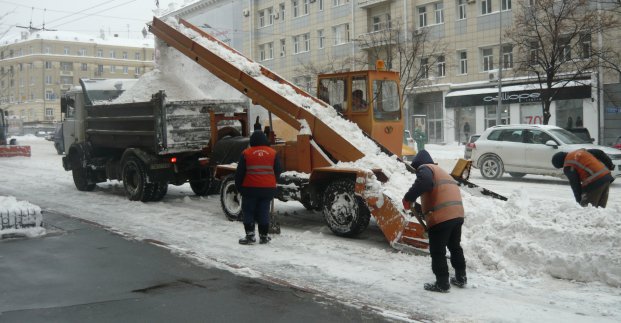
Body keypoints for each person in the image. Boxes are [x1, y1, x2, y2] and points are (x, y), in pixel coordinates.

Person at [402, 150, 467, 293]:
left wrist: (408, 198)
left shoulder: (425, 168)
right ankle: (461, 277)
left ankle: (442, 283)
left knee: (438, 251)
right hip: (457, 214)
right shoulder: (441, 171)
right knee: (455, 246)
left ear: (418, 164)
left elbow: (424, 182)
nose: (417, 172)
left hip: (442, 217)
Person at [235, 121, 283, 244]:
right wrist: (272, 181)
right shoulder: (273, 153)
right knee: (263, 211)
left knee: (249, 211)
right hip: (267, 189)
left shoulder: (246, 153)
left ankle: (250, 236)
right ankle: (264, 236)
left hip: (250, 188)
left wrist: (239, 187)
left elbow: (240, 173)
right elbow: (278, 170)